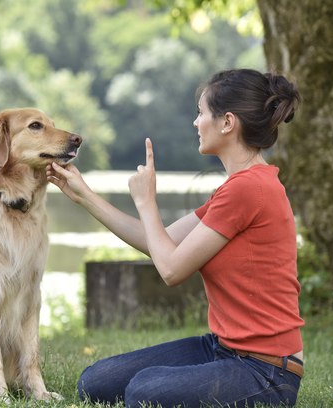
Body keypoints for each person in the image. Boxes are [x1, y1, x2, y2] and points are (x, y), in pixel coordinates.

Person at [46, 68, 304, 408]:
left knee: (143, 392)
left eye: (201, 113)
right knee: (95, 382)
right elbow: (160, 242)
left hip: (266, 372)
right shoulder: (236, 188)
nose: (196, 123)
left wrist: (146, 202)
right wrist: (84, 195)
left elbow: (170, 269)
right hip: (223, 350)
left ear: (228, 122)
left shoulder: (249, 190)